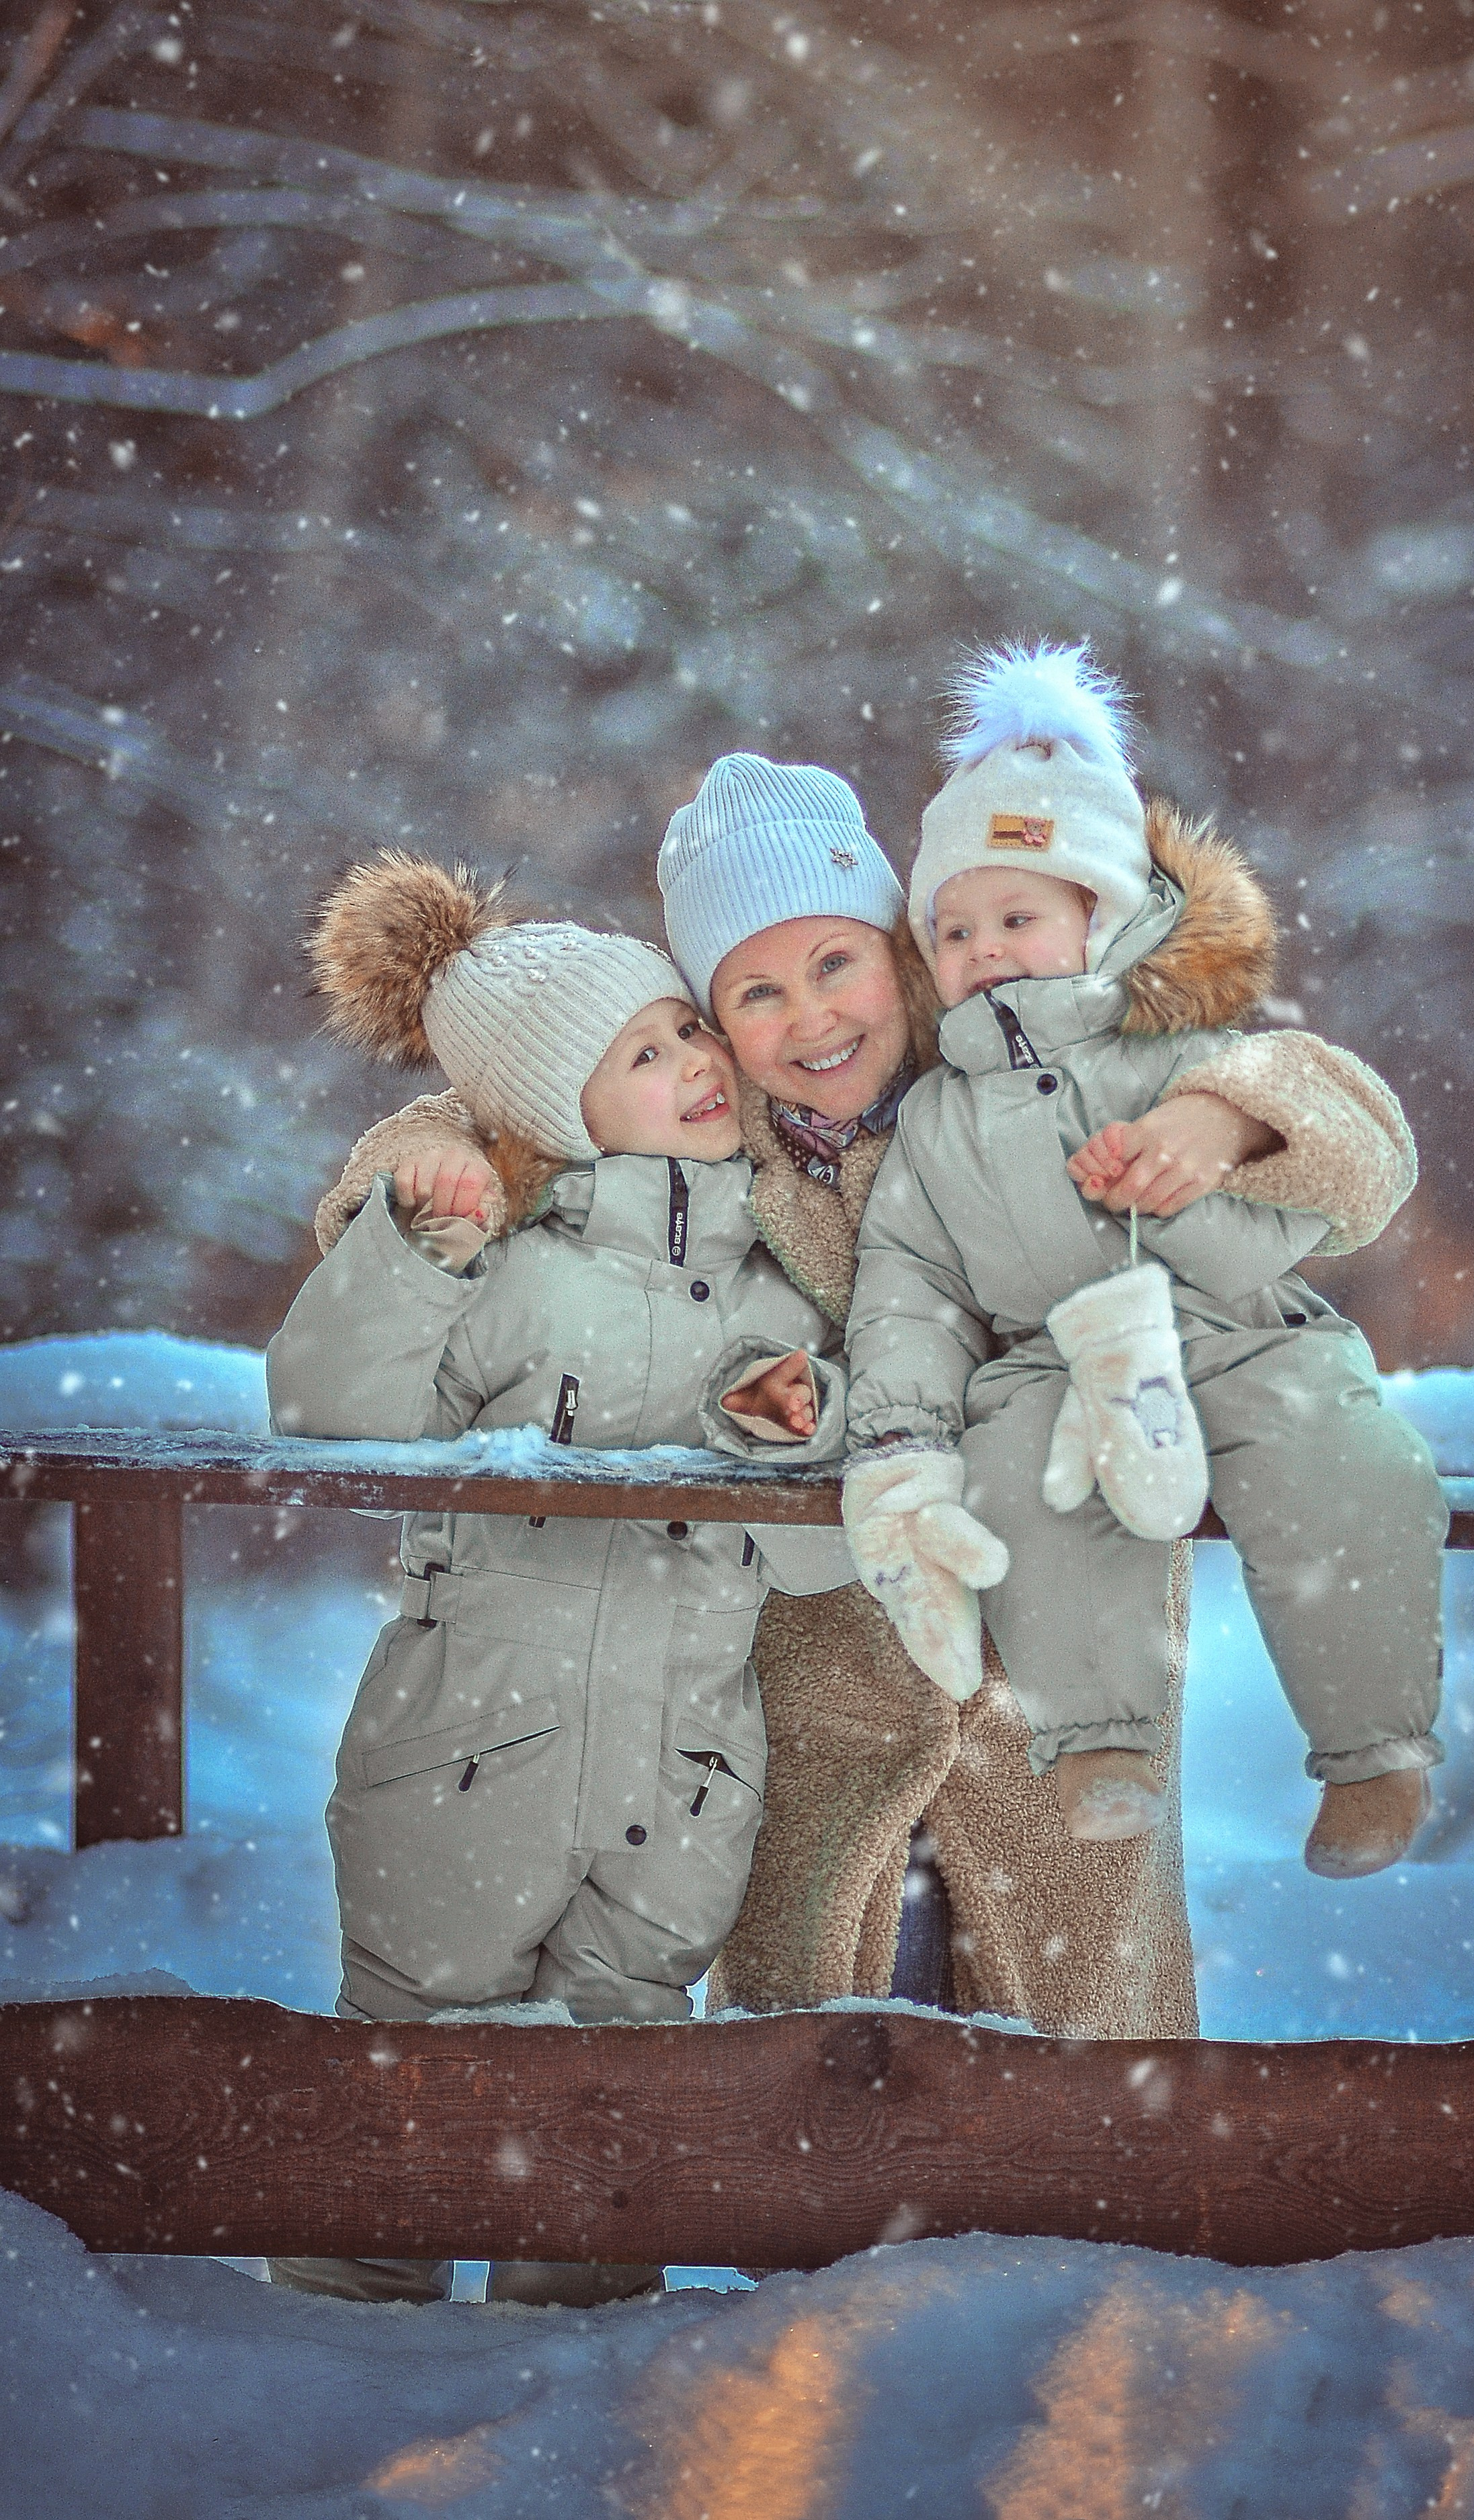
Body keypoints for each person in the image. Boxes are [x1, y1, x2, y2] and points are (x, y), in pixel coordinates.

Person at [315, 745, 1416, 2044]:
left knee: (1080, 2103)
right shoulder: (714, 1135)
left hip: (1068, 1670)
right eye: (757, 993)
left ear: (899, 950)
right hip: (820, 1693)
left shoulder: (1038, 1046)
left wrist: (1226, 1121)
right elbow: (500, 1097)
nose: (812, 1018)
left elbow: (1351, 1134)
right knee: (818, 2111)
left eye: (836, 963)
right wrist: (437, 1151)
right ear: (715, 1022)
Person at [267, 852, 850, 2306]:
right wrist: (414, 1256)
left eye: (683, 1030)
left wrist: (794, 1422)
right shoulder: (508, 1270)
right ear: (553, 1115)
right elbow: (332, 1411)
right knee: (404, 2076)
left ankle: (578, 2389)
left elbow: (823, 1550)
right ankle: (331, 2357)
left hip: (683, 1773)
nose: (692, 1063)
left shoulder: (777, 1283)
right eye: (639, 1055)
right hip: (466, 1748)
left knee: (614, 2100)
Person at [842, 645, 1448, 1880]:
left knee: (1337, 1451)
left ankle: (1375, 1749)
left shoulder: (1189, 1048)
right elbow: (909, 1287)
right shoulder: (939, 1120)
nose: (984, 948)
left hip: (1233, 1337)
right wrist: (901, 1438)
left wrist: (1218, 1138)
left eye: (1019, 916)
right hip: (1048, 1364)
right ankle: (1101, 1743)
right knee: (1025, 1476)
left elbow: (1353, 1155)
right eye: (953, 927)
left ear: (1101, 917)